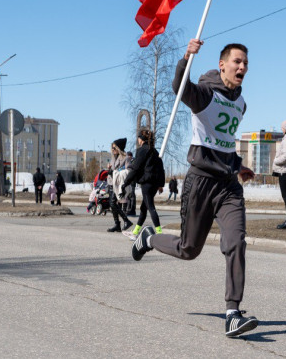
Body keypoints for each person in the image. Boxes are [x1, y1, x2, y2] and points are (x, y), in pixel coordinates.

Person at [131, 38, 258, 338]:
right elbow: (179, 87)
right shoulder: (204, 94)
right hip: (200, 181)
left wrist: (238, 164)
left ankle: (232, 313)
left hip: (228, 185)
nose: (242, 67)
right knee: (188, 250)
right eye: (237, 61)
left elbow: (223, 141)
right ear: (222, 65)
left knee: (236, 242)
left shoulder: (241, 102)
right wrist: (185, 57)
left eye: (246, 64)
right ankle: (149, 239)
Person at [122, 129, 166, 240]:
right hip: (155, 184)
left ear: (141, 139)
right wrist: (161, 184)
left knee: (150, 207)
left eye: (138, 138)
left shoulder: (142, 150)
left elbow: (136, 168)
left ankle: (159, 233)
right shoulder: (154, 151)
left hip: (147, 183)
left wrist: (126, 182)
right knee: (143, 208)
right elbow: (161, 168)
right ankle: (136, 232)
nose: (137, 140)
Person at [106, 138, 134, 233]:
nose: (112, 149)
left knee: (113, 203)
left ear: (119, 148)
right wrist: (110, 171)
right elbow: (113, 171)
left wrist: (115, 172)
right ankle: (117, 224)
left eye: (114, 147)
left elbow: (129, 171)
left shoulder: (126, 158)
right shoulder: (113, 158)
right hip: (111, 183)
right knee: (112, 204)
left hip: (119, 184)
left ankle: (126, 221)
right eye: (112, 148)